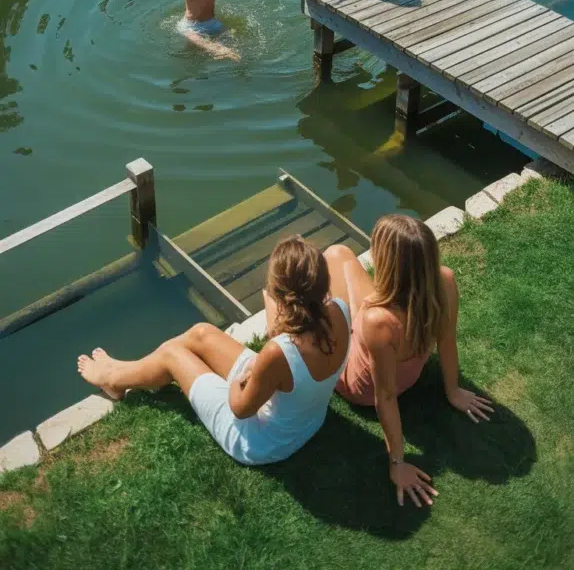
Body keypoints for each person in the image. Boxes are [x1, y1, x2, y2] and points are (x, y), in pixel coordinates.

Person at [77, 236, 351, 466]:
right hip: (306, 419)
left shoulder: (277, 353)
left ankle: (113, 380)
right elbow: (294, 354)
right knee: (201, 333)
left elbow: (240, 408)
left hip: (260, 440)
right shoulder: (340, 310)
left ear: (282, 296)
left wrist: (242, 378)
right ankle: (125, 370)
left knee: (173, 354)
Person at [324, 215, 494, 508]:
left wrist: (398, 462)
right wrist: (453, 391)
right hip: (402, 366)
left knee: (323, 292)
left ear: (386, 261)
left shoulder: (378, 320)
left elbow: (386, 396)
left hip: (359, 385)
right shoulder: (444, 282)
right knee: (338, 253)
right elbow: (447, 340)